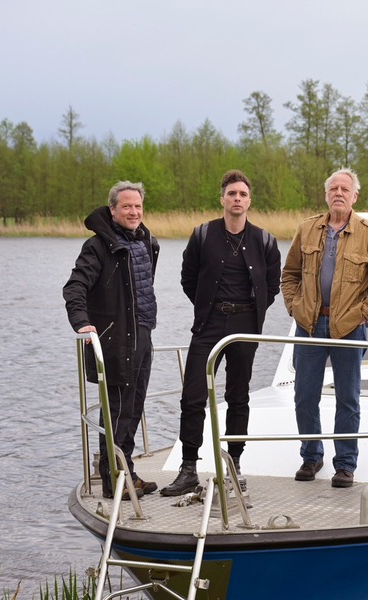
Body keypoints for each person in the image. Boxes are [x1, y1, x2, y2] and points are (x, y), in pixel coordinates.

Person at [160, 170, 281, 496]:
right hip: (209, 323)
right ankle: (188, 469)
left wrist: (251, 313)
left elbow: (272, 287)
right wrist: (207, 306)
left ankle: (234, 465)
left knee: (238, 397)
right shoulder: (202, 235)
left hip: (244, 327)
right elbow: (188, 279)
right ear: (222, 199)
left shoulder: (265, 241)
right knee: (193, 395)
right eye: (231, 194)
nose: (237, 199)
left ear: (249, 200)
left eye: (242, 194)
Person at [281, 168, 368, 488]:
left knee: (348, 397)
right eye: (333, 188)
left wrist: (363, 314)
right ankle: (311, 456)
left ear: (355, 196)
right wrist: (294, 307)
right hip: (310, 325)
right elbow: (290, 275)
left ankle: (345, 464)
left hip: (349, 328)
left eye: (345, 188)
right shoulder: (307, 229)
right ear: (326, 194)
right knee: (304, 395)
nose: (339, 193)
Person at [63, 181, 160, 500]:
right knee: (116, 411)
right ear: (113, 210)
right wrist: (83, 324)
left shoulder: (147, 241)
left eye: (138, 206)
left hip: (143, 335)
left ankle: (126, 471)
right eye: (127, 206)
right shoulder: (98, 246)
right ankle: (112, 480)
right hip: (116, 341)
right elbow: (74, 287)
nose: (134, 212)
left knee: (134, 410)